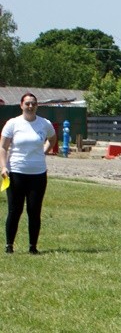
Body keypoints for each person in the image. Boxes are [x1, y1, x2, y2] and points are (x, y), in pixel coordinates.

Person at [1, 93, 57, 254]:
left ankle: (33, 247)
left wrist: (44, 151)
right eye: (27, 104)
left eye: (33, 104)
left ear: (37, 106)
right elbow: (3, 147)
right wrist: (3, 167)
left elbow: (52, 139)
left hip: (38, 174)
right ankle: (9, 245)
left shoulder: (44, 124)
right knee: (14, 209)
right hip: (16, 172)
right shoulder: (13, 123)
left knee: (34, 210)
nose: (30, 106)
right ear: (21, 105)